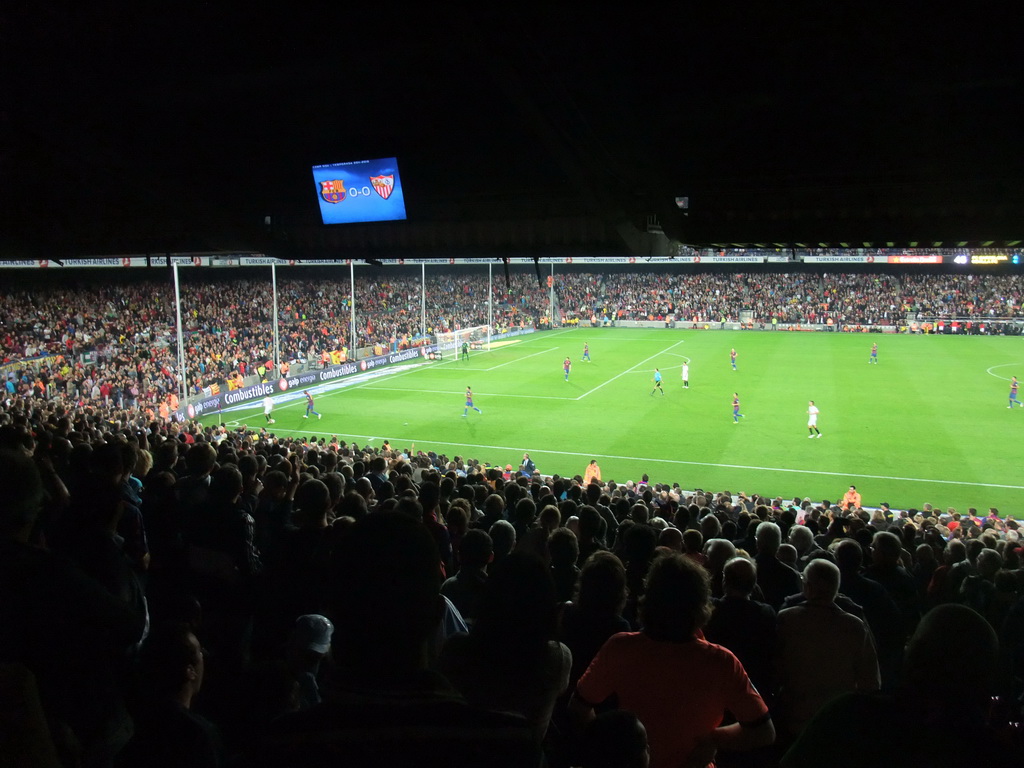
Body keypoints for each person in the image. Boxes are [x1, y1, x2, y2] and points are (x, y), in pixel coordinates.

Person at [569, 553, 775, 768]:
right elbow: (763, 731)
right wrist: (712, 739)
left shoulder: (621, 647)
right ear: (700, 604)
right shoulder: (721, 661)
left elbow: (579, 707)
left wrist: (614, 752)